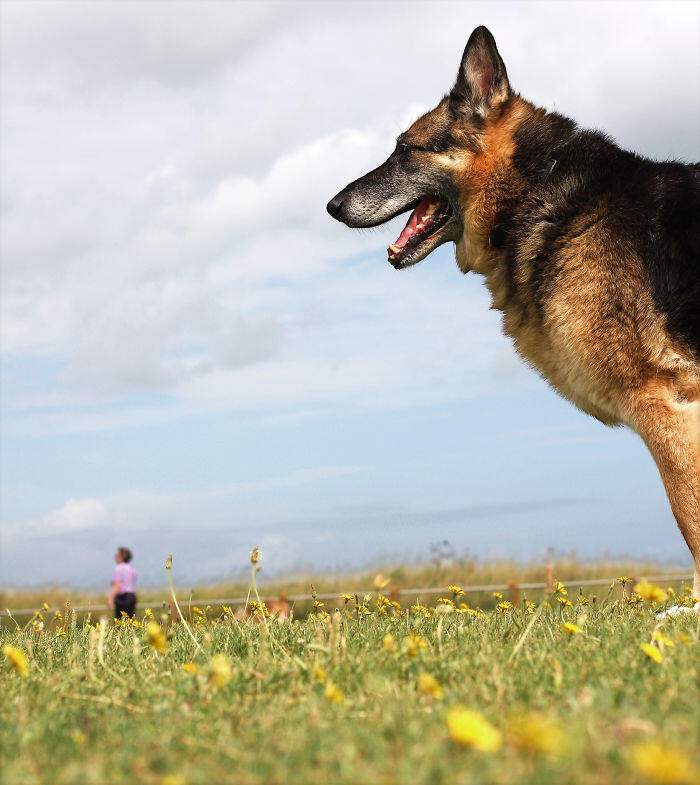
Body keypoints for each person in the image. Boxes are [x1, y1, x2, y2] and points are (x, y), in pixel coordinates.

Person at [109, 546, 137, 619]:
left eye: (117, 555)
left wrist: (111, 599)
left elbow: (117, 585)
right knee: (130, 619)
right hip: (131, 596)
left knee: (120, 620)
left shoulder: (119, 568)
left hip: (122, 598)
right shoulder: (131, 568)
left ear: (120, 557)